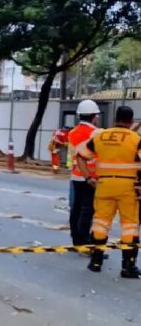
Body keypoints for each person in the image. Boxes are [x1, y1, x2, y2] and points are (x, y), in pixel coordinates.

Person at [76, 106, 141, 278]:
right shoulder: (135, 138)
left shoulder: (101, 136)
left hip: (103, 185)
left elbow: (81, 156)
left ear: (115, 119)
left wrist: (88, 177)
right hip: (128, 187)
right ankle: (128, 267)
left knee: (100, 223)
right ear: (131, 120)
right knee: (129, 226)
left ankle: (95, 262)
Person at [67, 100, 101, 248]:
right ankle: (84, 241)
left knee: (76, 208)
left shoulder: (72, 132)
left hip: (76, 175)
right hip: (91, 177)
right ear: (94, 116)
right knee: (88, 210)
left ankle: (76, 240)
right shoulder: (97, 133)